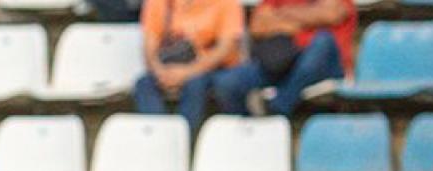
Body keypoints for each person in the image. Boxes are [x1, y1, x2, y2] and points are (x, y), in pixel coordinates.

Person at [212, 0, 354, 118]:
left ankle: (278, 107)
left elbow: (331, 14)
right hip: (284, 60)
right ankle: (250, 134)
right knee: (227, 82)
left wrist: (281, 14)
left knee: (322, 41)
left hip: (326, 66)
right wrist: (309, 17)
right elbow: (256, 27)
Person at [133, 0, 244, 134]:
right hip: (170, 64)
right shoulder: (158, 2)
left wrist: (187, 72)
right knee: (144, 84)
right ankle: (159, 137)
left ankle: (184, 139)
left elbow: (225, 48)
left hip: (210, 66)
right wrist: (159, 71)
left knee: (195, 84)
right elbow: (149, 44)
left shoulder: (227, 3)